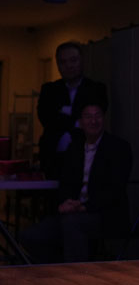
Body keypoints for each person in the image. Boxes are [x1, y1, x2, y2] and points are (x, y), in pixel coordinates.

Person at [21, 97, 132, 263]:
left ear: (104, 118)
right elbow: (66, 181)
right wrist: (65, 203)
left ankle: (75, 273)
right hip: (74, 211)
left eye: (98, 116)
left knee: (72, 223)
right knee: (30, 235)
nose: (93, 121)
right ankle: (60, 268)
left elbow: (115, 189)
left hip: (105, 214)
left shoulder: (118, 147)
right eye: (88, 116)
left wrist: (84, 206)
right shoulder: (75, 148)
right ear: (80, 122)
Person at [37, 41, 109, 179]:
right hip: (53, 161)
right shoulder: (49, 90)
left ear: (82, 61)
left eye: (73, 60)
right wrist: (76, 121)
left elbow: (92, 121)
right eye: (63, 62)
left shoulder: (96, 89)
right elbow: (46, 118)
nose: (69, 66)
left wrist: (63, 113)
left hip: (87, 158)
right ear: (58, 65)